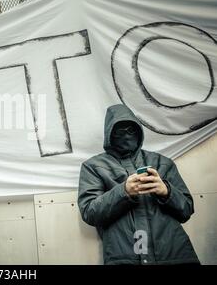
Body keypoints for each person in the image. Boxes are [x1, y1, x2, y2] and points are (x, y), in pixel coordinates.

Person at [77, 104, 200, 265]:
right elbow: (89, 212)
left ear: (139, 131)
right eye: (120, 130)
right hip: (124, 259)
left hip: (175, 255)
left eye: (131, 129)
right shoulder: (93, 167)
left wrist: (166, 191)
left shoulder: (162, 162)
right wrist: (124, 192)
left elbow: (187, 210)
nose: (126, 135)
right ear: (109, 133)